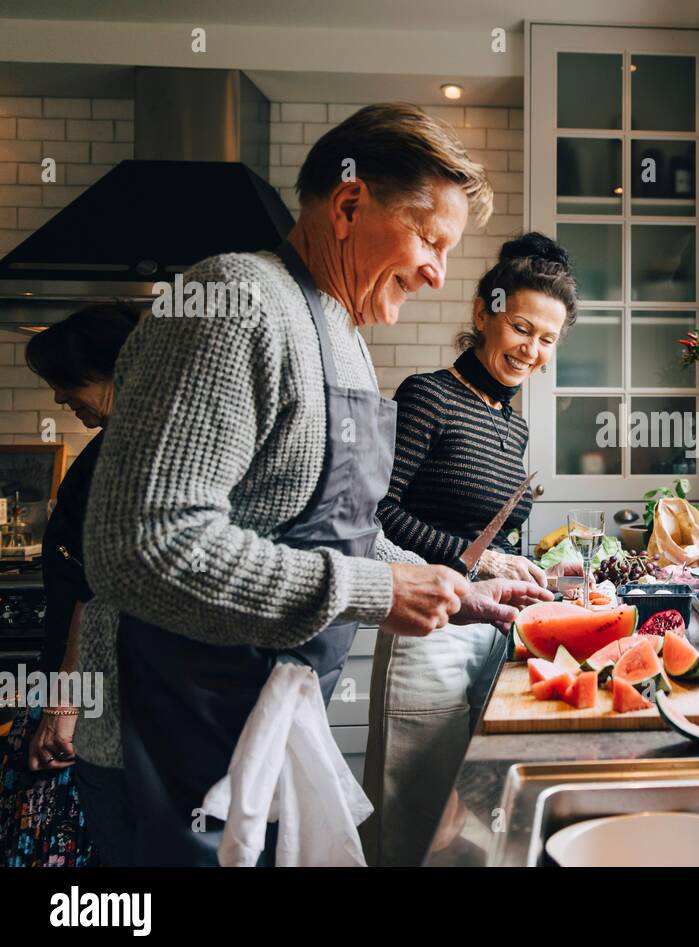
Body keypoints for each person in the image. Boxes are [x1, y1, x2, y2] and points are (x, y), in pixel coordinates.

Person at [75, 102, 550, 866]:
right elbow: (143, 545)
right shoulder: (237, 301)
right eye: (430, 238)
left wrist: (455, 587)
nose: (437, 269)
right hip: (168, 730)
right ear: (351, 202)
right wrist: (375, 591)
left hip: (262, 719)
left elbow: (345, 527)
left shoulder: (342, 337)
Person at [365, 233, 577, 865]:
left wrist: (535, 563)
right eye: (521, 327)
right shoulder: (426, 396)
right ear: (484, 313)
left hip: (489, 627)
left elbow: (494, 532)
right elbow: (380, 514)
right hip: (425, 626)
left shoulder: (513, 424)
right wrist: (479, 560)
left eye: (547, 340)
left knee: (468, 812)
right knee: (413, 812)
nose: (531, 350)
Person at [0, 304, 136, 867]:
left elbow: (97, 592)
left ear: (114, 371)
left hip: (89, 696)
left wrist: (62, 708)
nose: (59, 399)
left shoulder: (123, 454)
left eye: (66, 382)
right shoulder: (129, 445)